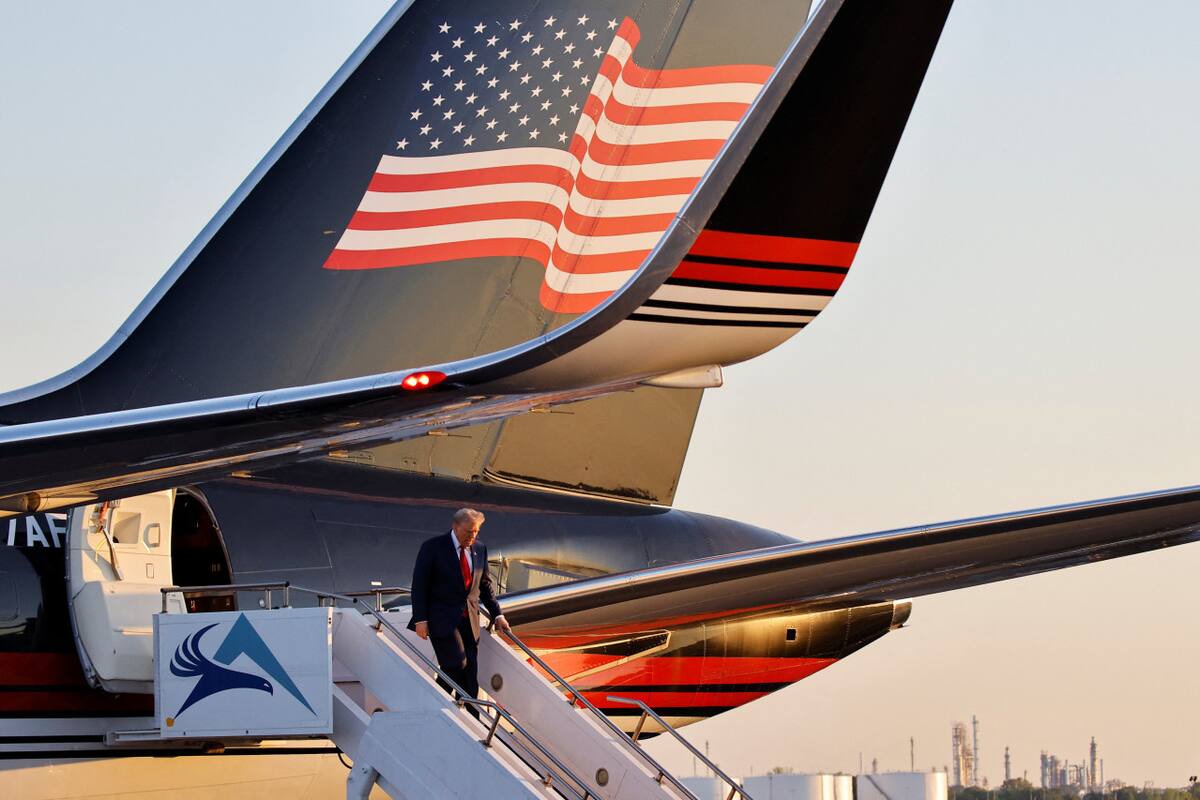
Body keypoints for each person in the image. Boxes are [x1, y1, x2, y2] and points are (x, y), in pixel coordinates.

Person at [408, 508, 510, 713]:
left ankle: (471, 719)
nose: (472, 536)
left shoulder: (479, 549)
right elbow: (419, 585)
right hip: (442, 619)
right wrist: (420, 619)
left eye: (476, 532)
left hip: (470, 620)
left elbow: (485, 585)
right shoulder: (433, 548)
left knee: (470, 673)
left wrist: (498, 614)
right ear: (455, 526)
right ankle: (437, 708)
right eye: (469, 531)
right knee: (457, 663)